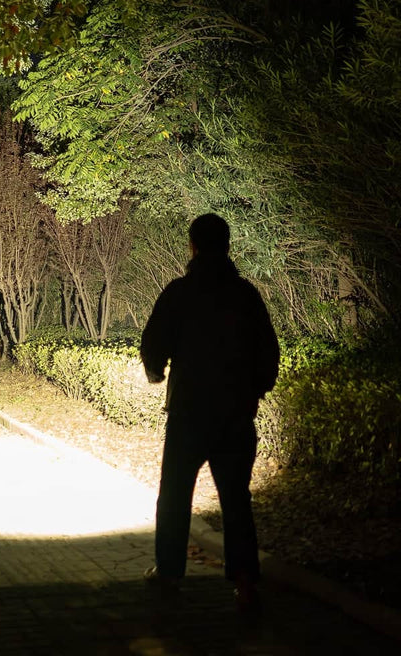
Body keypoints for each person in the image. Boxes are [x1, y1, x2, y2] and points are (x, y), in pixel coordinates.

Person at [140, 213, 279, 613]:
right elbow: (267, 351)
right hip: (236, 413)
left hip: (189, 412)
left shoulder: (180, 293)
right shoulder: (245, 294)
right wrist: (257, 388)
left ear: (193, 246)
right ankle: (245, 583)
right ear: (228, 246)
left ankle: (168, 572)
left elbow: (154, 342)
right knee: (235, 498)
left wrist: (156, 372)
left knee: (175, 494)